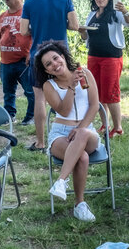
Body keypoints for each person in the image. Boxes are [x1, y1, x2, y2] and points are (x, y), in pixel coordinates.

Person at [36, 41, 100, 222]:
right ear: (47, 70)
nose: (55, 64)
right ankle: (80, 205)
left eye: (56, 58)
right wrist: (71, 87)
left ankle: (60, 181)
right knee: (82, 157)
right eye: (48, 64)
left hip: (87, 130)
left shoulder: (84, 74)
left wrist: (80, 128)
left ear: (63, 57)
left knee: (82, 134)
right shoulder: (49, 86)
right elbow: (63, 111)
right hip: (61, 133)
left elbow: (94, 106)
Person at [19, 0, 81, 151]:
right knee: (69, 93)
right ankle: (73, 137)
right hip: (61, 56)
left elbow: (23, 31)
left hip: (39, 56)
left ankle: (40, 142)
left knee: (40, 98)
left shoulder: (30, 1)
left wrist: (36, 28)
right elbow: (75, 25)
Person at [78, 0, 129, 138]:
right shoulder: (92, 14)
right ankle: (105, 124)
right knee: (98, 93)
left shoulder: (115, 13)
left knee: (111, 94)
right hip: (93, 56)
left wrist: (125, 11)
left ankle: (118, 128)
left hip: (111, 57)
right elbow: (86, 38)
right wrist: (82, 32)